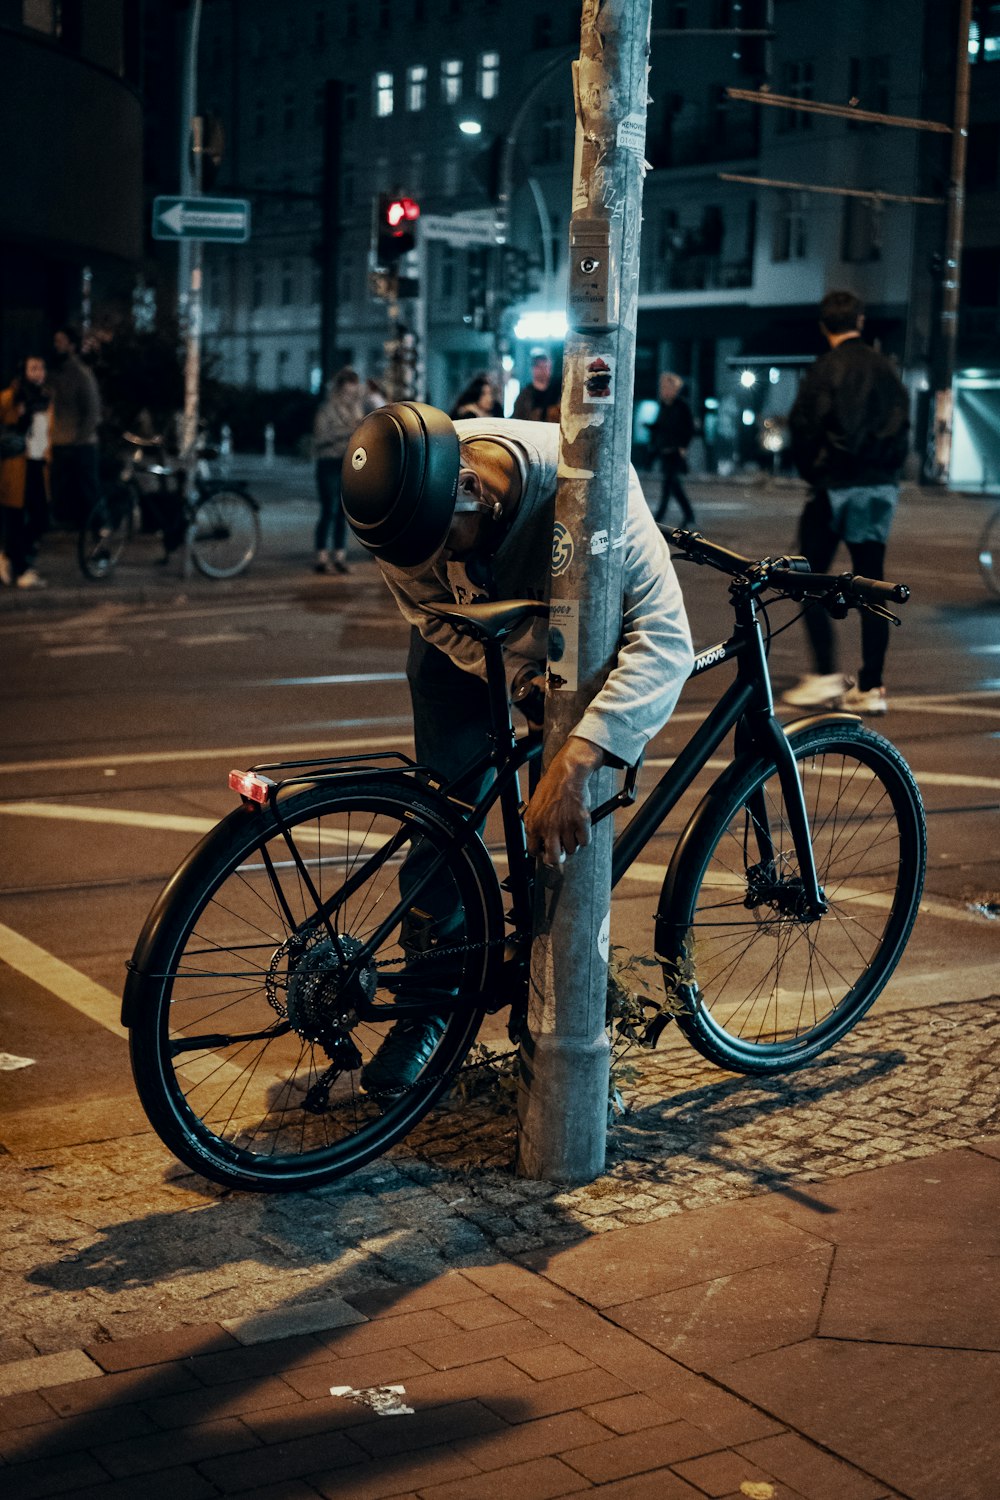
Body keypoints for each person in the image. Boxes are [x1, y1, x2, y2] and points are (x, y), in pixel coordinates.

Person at [340, 401, 694, 1090]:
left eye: (447, 546)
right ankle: (432, 1008)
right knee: (440, 817)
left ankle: (550, 1017)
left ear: (471, 487)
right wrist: (520, 676)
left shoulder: (592, 488)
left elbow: (665, 643)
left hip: (580, 652)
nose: (434, 563)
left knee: (561, 828)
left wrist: (579, 749)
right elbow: (428, 613)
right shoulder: (405, 514)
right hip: (469, 646)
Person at [783, 290, 910, 716]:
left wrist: (815, 471)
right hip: (878, 487)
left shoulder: (824, 369)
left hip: (835, 486)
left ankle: (825, 674)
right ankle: (871, 684)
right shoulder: (887, 369)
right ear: (861, 321)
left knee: (809, 577)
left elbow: (805, 426)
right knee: (873, 583)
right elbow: (902, 428)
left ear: (824, 326)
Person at [0, 356, 51, 588]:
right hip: (16, 464)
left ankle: (11, 556)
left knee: (40, 517)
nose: (37, 373)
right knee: (15, 517)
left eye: (40, 368)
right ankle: (20, 568)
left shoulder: (44, 397)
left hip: (37, 463)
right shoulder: (10, 397)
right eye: (33, 368)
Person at [312, 367, 366, 574]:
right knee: (329, 509)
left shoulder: (357, 409)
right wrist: (347, 431)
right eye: (347, 393)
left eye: (354, 393)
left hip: (348, 463)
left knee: (344, 511)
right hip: (329, 462)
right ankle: (321, 555)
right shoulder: (327, 410)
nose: (350, 397)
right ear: (338, 390)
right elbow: (320, 438)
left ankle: (340, 555)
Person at [48, 325, 101, 529]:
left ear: (71, 345)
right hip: (60, 439)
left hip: (80, 443)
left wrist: (80, 439)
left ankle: (98, 530)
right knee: (61, 488)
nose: (56, 345)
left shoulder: (80, 374)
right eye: (55, 341)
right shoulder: (55, 373)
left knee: (88, 489)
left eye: (60, 341)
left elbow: (92, 411)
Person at [645, 372, 695, 526]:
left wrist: (683, 446)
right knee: (672, 485)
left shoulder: (682, 406)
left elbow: (689, 428)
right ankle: (688, 516)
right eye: (663, 387)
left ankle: (661, 518)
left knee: (670, 484)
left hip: (676, 452)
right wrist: (650, 428)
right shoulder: (663, 406)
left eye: (667, 387)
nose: (663, 390)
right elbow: (661, 427)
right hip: (664, 450)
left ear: (675, 389)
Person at [512, 351, 561, 423]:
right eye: (540, 367)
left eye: (546, 366)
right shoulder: (524, 397)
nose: (543, 370)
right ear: (533, 369)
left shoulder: (558, 391)